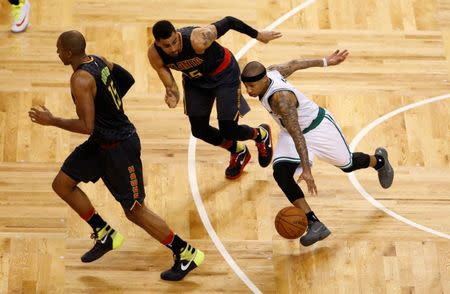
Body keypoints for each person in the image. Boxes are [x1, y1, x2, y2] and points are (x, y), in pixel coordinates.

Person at [28, 30, 203, 281]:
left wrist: (52, 120)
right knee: (62, 185)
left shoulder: (80, 79)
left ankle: (185, 252)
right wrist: (109, 108)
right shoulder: (98, 60)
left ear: (68, 52)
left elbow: (86, 125)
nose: (57, 52)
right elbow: (127, 79)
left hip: (120, 148)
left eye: (58, 49)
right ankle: (104, 233)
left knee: (135, 210)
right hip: (101, 142)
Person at [240, 50, 394, 246]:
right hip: (291, 131)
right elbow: (295, 63)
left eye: (252, 86)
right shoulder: (273, 72)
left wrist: (306, 170)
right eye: (246, 86)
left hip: (318, 129)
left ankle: (379, 161)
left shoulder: (282, 101)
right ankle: (313, 223)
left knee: (348, 164)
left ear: (263, 80)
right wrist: (325, 61)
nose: (249, 91)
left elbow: (299, 137)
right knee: (281, 173)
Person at [148, 17, 282, 179]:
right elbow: (171, 86)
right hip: (196, 81)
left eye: (174, 41)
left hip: (224, 75)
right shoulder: (155, 54)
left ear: (177, 34)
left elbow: (229, 22)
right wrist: (173, 95)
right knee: (199, 130)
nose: (173, 48)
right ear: (157, 43)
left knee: (229, 129)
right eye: (167, 46)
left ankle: (260, 134)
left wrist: (258, 35)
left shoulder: (198, 39)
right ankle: (239, 151)